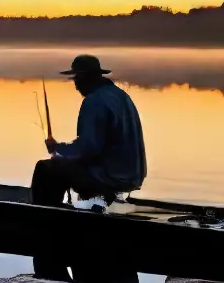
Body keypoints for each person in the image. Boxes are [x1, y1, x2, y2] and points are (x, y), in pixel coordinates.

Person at [30, 54, 147, 208]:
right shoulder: (121, 96)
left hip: (111, 175)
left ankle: (45, 217)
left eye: (77, 78)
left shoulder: (94, 102)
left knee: (45, 169)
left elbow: (89, 149)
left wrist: (58, 149)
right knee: (64, 165)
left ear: (86, 77)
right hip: (134, 175)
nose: (76, 85)